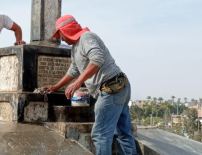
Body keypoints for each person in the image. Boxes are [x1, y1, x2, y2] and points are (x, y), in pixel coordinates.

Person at [42, 15, 137, 155]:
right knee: (123, 132)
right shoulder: (75, 48)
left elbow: (97, 58)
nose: (61, 38)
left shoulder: (86, 37)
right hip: (120, 86)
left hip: (110, 89)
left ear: (66, 30)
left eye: (60, 34)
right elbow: (74, 69)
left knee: (100, 134)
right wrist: (56, 87)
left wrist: (78, 83)